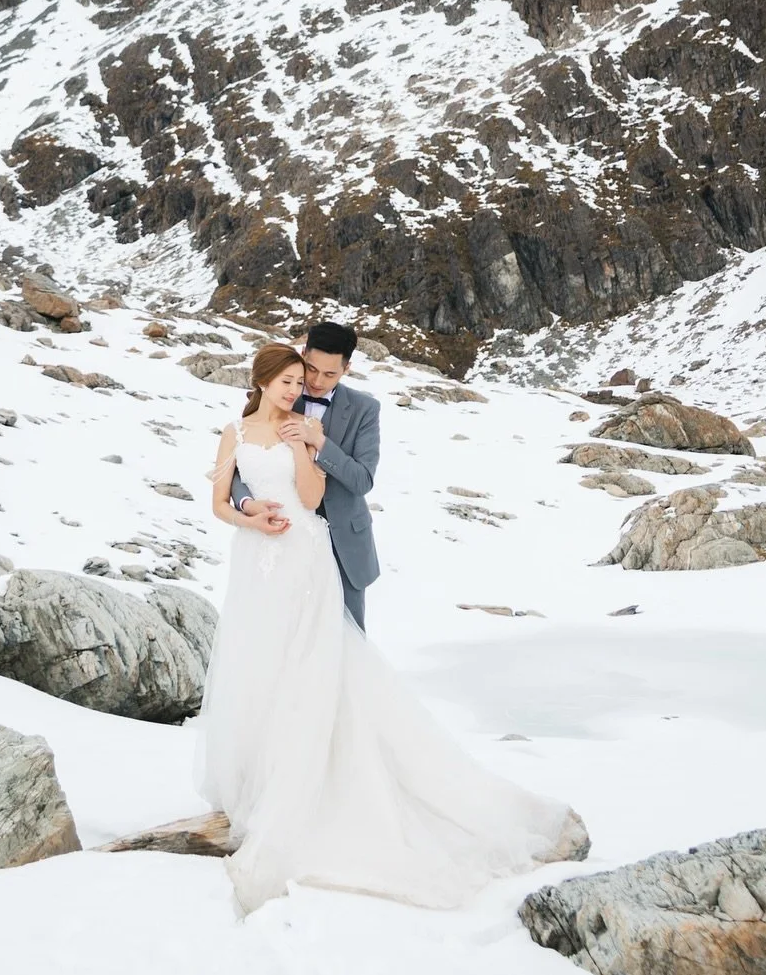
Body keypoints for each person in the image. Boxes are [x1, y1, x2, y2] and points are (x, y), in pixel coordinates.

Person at [198, 341, 583, 914]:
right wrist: (249, 513)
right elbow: (222, 499)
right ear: (266, 379)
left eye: (301, 380)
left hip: (307, 553)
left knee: (319, 664)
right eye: (289, 379)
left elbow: (317, 494)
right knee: (260, 663)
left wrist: (310, 445)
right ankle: (261, 777)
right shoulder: (234, 428)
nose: (298, 387)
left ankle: (322, 781)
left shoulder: (316, 423)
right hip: (255, 559)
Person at [230, 320, 379, 628]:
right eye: (311, 369)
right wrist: (246, 503)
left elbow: (363, 479)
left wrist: (320, 442)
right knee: (281, 631)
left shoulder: (365, 409)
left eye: (330, 374)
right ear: (303, 353)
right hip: (283, 536)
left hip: (343, 544)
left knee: (346, 638)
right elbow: (241, 461)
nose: (316, 381)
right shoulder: (280, 392)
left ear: (346, 369)